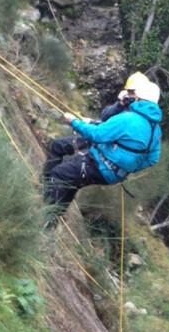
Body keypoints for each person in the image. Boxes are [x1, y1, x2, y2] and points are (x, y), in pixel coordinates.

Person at [42, 79, 162, 225]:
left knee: (59, 174)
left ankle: (45, 217)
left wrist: (74, 122)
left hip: (99, 164)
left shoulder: (128, 119)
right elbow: (152, 159)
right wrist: (128, 166)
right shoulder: (156, 131)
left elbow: (97, 135)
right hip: (114, 175)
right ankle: (53, 218)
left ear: (138, 98)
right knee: (73, 181)